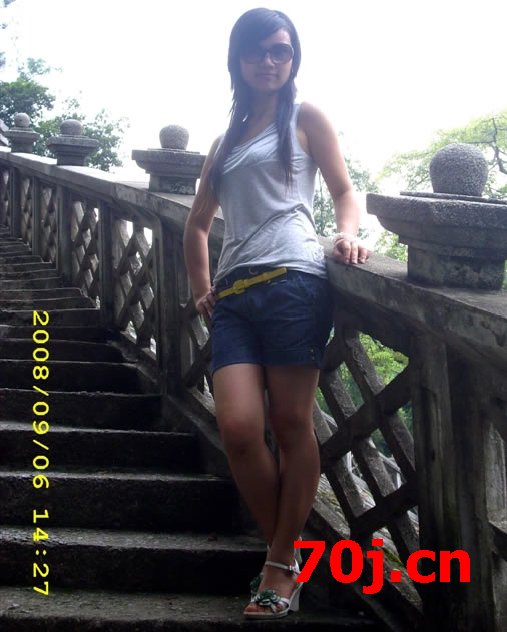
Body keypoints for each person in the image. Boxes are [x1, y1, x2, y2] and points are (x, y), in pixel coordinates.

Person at [183, 7, 370, 620]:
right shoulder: (224, 142)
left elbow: (345, 190)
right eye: (257, 51)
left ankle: (278, 567)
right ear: (237, 59)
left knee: (291, 423)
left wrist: (348, 234)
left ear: (293, 58)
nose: (269, 61)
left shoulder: (305, 117)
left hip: (295, 281)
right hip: (235, 298)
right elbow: (197, 224)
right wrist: (201, 285)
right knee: (239, 429)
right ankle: (288, 555)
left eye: (281, 50)